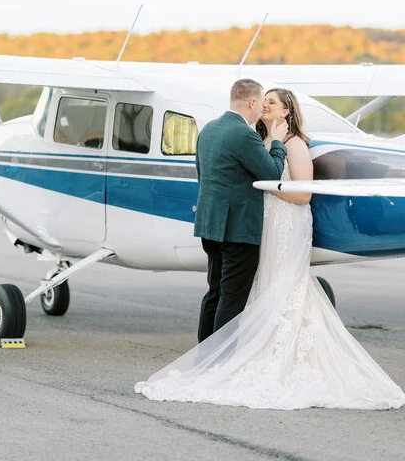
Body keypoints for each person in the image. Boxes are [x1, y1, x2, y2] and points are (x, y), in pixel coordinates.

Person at [135, 88, 405, 410]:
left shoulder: (294, 144)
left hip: (289, 223)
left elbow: (302, 194)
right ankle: (233, 352)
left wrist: (266, 189)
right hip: (264, 226)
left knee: (279, 285)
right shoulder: (259, 141)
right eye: (264, 101)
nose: (265, 105)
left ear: (286, 111)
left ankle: (255, 353)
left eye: (272, 102)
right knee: (256, 288)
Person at [194, 78, 288, 343]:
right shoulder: (244, 134)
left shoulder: (208, 129)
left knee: (214, 293)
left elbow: (202, 175)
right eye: (261, 102)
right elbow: (272, 173)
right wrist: (278, 143)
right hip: (237, 229)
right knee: (232, 299)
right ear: (251, 102)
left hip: (209, 225)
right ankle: (220, 363)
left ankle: (204, 357)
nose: (262, 108)